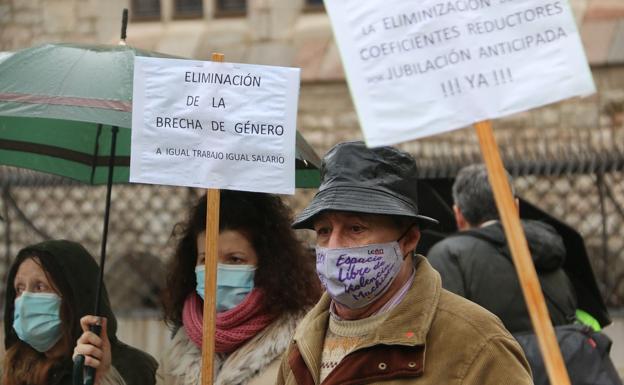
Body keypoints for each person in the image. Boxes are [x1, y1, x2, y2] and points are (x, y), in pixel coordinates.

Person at [277, 141, 533, 385]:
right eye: (323, 231)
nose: (333, 246)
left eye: (355, 228)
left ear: (408, 239)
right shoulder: (303, 340)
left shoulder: (478, 344)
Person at [156, 190, 320, 385]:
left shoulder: (303, 343)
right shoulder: (179, 350)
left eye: (235, 259)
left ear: (268, 265)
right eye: (205, 259)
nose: (214, 273)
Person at [427, 164, 577, 333]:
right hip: (559, 357)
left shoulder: (449, 255)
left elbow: (447, 334)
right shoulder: (548, 244)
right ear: (515, 207)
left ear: (458, 215)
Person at [2, 239, 157, 385]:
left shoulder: (132, 369)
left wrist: (104, 378)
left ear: (75, 295)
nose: (25, 300)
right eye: (19, 289)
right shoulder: (14, 369)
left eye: (40, 286)